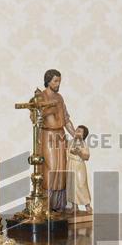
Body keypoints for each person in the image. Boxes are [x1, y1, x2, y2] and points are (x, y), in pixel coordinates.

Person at [38, 69, 75, 212]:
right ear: (48, 81)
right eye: (55, 81)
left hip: (60, 135)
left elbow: (66, 119)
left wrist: (75, 135)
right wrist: (47, 110)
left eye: (59, 81)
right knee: (51, 168)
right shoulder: (41, 96)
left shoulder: (59, 97)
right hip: (48, 136)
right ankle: (46, 205)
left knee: (61, 169)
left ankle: (58, 205)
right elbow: (36, 116)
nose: (58, 84)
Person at [67, 124, 92, 212]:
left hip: (79, 166)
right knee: (71, 186)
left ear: (83, 135)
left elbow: (87, 157)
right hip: (70, 165)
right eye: (77, 130)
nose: (77, 132)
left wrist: (79, 153)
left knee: (81, 185)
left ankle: (87, 205)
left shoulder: (83, 144)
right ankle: (74, 206)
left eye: (80, 132)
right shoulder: (70, 142)